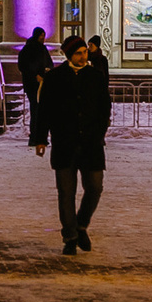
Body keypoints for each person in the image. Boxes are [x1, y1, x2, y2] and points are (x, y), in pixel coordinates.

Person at [32, 35, 110, 253]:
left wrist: (101, 129)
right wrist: (40, 139)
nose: (83, 57)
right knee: (66, 192)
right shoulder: (55, 78)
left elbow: (105, 107)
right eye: (78, 53)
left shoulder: (96, 76)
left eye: (85, 52)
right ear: (69, 55)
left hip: (91, 143)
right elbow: (45, 111)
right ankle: (70, 236)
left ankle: (81, 224)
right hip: (64, 143)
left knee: (95, 187)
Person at [17, 26, 54, 143]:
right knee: (36, 109)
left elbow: (49, 63)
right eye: (41, 36)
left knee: (43, 111)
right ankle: (34, 137)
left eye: (44, 36)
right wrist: (34, 76)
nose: (43, 38)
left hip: (43, 83)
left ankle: (42, 136)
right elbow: (23, 66)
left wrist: (48, 70)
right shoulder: (28, 49)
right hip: (32, 84)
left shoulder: (43, 49)